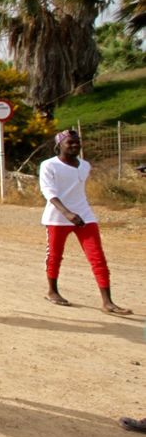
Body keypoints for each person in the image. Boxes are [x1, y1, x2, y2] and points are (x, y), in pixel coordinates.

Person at [40, 129, 132, 315]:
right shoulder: (49, 165)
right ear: (59, 145)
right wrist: (67, 213)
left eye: (77, 142)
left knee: (97, 257)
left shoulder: (85, 165)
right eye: (70, 143)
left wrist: (76, 213)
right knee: (55, 256)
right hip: (58, 217)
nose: (75, 145)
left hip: (85, 216)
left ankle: (107, 302)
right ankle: (52, 291)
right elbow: (49, 192)